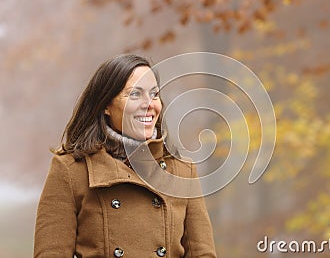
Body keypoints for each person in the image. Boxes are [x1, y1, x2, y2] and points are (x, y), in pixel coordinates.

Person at [34, 54, 217, 258]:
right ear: (106, 105)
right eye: (135, 94)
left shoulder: (182, 171)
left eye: (154, 94)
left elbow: (203, 254)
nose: (149, 104)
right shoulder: (70, 170)